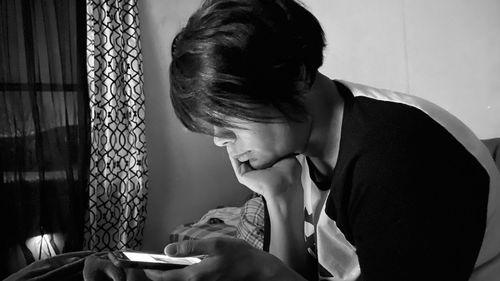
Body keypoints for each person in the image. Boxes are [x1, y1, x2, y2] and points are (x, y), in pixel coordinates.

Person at [85, 0, 500, 280]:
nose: (217, 139)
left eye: (226, 117)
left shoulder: (394, 156)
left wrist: (261, 270)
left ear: (295, 75)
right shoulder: (306, 142)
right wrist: (278, 196)